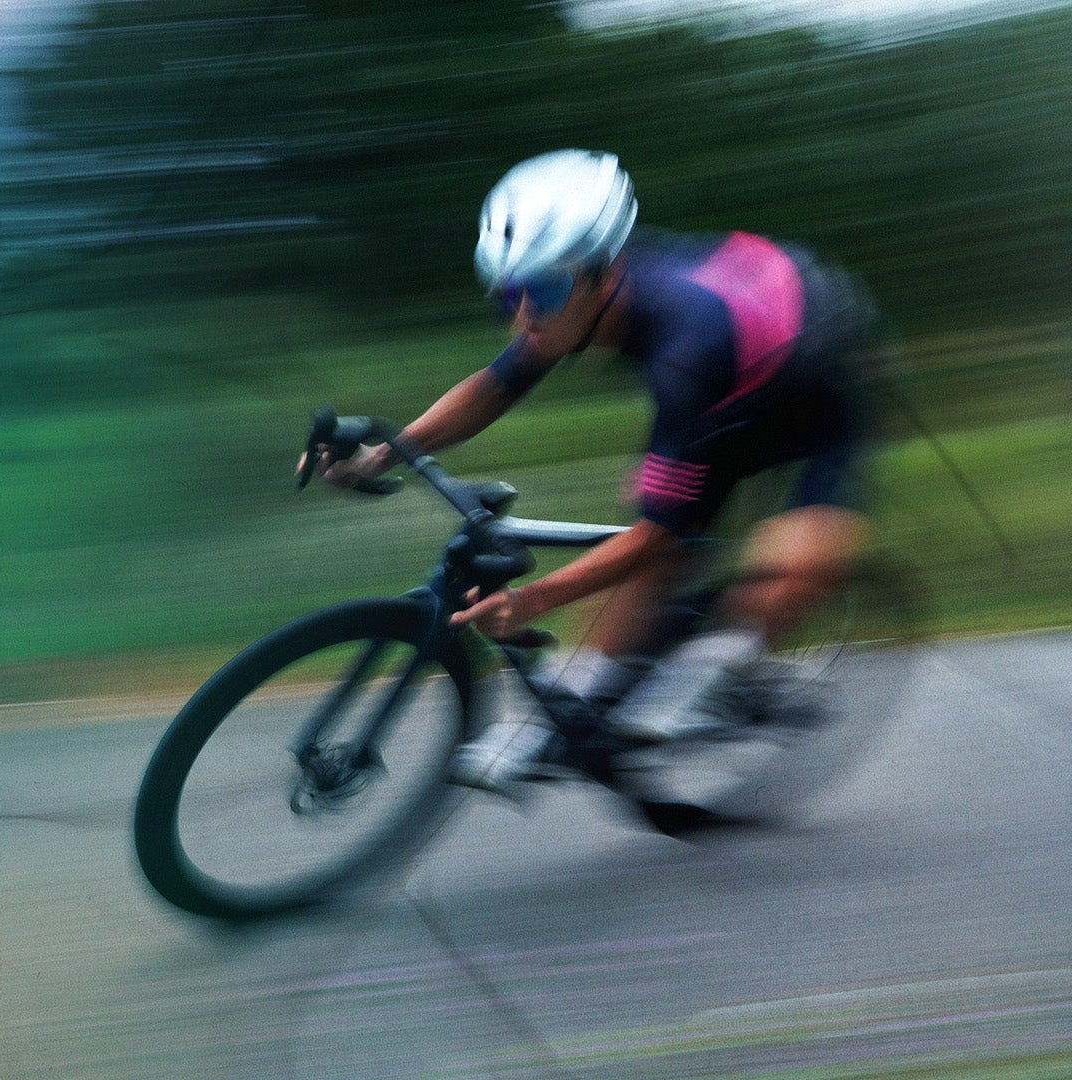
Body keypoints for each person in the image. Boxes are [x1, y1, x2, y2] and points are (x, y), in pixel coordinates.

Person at [315, 149, 880, 801]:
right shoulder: (570, 291)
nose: (524, 314)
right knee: (659, 514)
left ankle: (732, 662)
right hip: (727, 376)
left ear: (601, 275)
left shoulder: (685, 347)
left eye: (543, 292)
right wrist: (385, 454)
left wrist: (533, 600)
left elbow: (654, 537)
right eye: (507, 291)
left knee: (776, 558)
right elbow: (498, 386)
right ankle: (573, 707)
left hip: (815, 381)